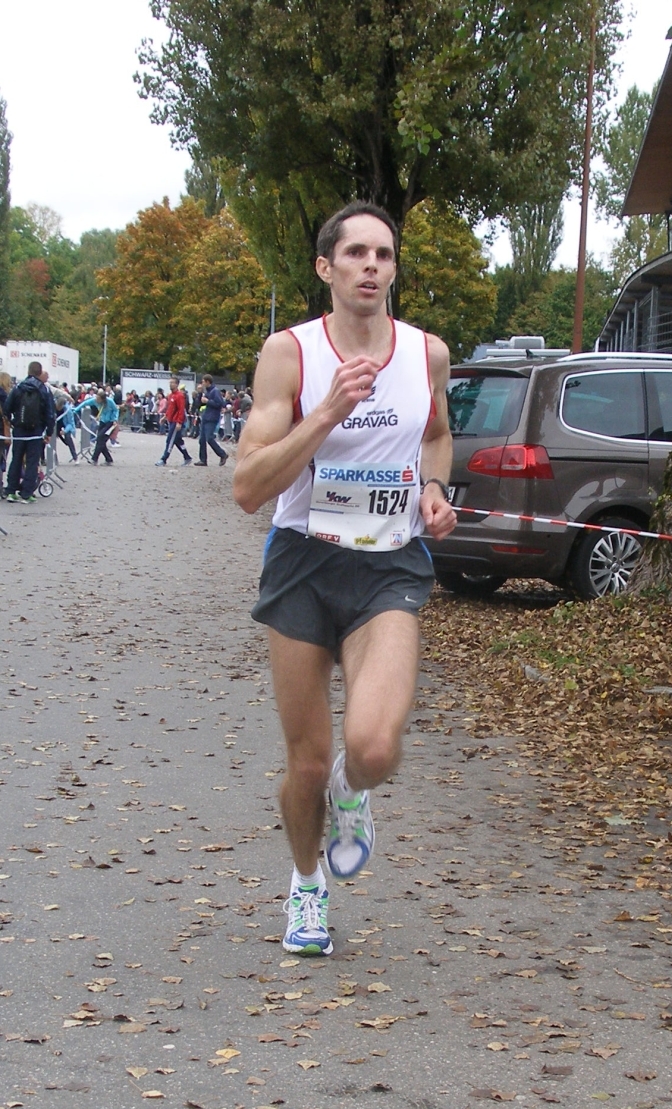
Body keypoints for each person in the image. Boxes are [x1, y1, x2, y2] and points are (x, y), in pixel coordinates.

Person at [233, 201, 456, 957]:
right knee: (302, 760)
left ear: (394, 269)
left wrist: (433, 488)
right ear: (327, 268)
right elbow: (248, 485)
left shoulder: (426, 353)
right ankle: (306, 886)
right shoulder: (289, 354)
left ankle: (353, 790)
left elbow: (437, 433)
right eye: (355, 253)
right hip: (303, 558)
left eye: (384, 255)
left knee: (374, 744)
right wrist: (325, 411)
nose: (371, 265)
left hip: (387, 563)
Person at [3, 360, 56, 502]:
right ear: (40, 373)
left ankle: (11, 490)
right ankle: (27, 493)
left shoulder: (18, 387)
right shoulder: (44, 390)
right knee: (32, 461)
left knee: (16, 459)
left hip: (19, 429)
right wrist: (48, 432)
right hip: (36, 430)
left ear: (28, 371)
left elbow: (7, 408)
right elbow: (50, 413)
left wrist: (12, 421)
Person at [74, 388, 119, 465]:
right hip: (102, 421)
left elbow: (116, 409)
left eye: (98, 399)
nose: (96, 401)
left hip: (110, 422)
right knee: (100, 441)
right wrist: (76, 409)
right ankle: (108, 459)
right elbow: (85, 403)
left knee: (100, 438)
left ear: (102, 399)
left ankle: (94, 459)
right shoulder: (94, 401)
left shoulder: (110, 401)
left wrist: (115, 419)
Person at [155, 377, 193, 466]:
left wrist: (179, 422)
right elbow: (170, 409)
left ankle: (164, 459)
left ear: (177, 384)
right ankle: (187, 457)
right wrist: (165, 417)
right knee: (178, 441)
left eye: (172, 383)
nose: (170, 384)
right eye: (170, 382)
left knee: (170, 440)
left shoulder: (179, 396)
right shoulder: (171, 396)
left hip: (176, 421)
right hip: (171, 420)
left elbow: (181, 410)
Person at [194, 374, 229, 466]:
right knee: (201, 439)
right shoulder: (207, 392)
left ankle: (222, 454)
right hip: (206, 416)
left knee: (209, 438)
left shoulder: (215, 391)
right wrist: (200, 394)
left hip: (212, 417)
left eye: (203, 381)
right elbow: (198, 404)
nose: (202, 383)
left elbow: (219, 403)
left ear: (207, 382)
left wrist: (208, 401)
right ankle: (203, 460)